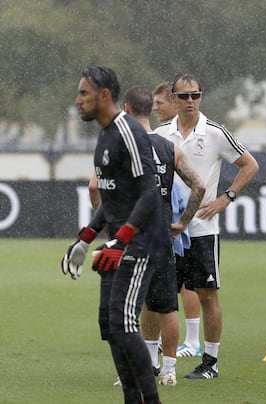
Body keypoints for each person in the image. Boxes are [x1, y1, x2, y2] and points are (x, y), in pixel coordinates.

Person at [61, 65, 163, 404]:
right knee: (109, 322)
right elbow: (114, 197)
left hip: (142, 241)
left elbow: (150, 193)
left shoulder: (129, 132)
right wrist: (86, 237)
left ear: (104, 96)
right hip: (118, 242)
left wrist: (123, 239)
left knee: (123, 320)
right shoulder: (104, 134)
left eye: (84, 94)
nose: (78, 101)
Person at [155, 73, 259, 379]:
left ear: (201, 97)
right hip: (168, 230)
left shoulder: (215, 132)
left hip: (202, 230)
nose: (190, 101)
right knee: (161, 296)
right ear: (172, 98)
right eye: (184, 96)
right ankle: (157, 361)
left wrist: (227, 198)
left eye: (195, 96)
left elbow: (250, 165)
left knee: (207, 294)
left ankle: (210, 363)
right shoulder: (161, 134)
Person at [122, 85, 205, 387]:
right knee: (166, 305)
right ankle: (168, 370)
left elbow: (95, 187)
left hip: (133, 239)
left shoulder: (124, 145)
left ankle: (140, 369)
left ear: (127, 110)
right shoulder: (169, 148)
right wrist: (182, 223)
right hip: (163, 239)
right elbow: (199, 186)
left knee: (132, 307)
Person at [153, 81, 203, 358]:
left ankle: (193, 343)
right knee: (172, 283)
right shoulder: (159, 133)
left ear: (172, 102)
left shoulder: (203, 130)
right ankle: (164, 342)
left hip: (183, 218)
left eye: (160, 103)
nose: (155, 107)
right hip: (169, 217)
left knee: (187, 283)